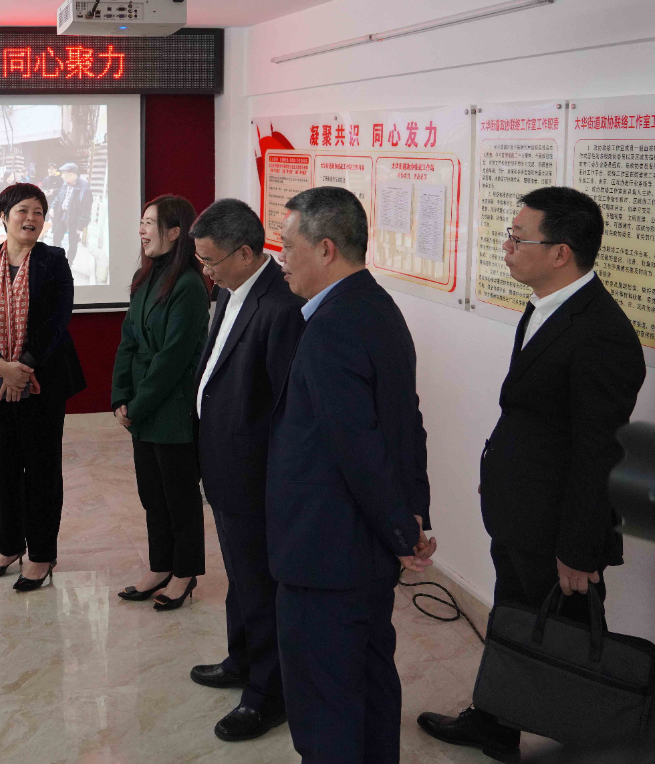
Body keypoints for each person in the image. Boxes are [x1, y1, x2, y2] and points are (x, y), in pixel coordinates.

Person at [418, 187, 646, 762]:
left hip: (556, 528)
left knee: (568, 644)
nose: (507, 247)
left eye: (519, 238)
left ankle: (596, 744)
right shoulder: (547, 306)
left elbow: (598, 453)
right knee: (518, 619)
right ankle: (495, 724)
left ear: (561, 252)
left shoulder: (601, 333)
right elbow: (535, 416)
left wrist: (578, 549)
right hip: (522, 509)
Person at [269, 186, 435, 764]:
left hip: (326, 553)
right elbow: (405, 426)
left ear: (326, 249)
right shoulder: (375, 306)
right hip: (362, 550)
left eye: (288, 245)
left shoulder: (335, 325)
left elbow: (359, 446)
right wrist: (411, 518)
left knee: (326, 705)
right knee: (369, 684)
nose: (280, 258)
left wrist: (402, 529)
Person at [185, 199, 305, 742]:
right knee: (240, 577)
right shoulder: (234, 290)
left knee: (259, 586)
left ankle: (267, 695)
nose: (205, 271)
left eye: (210, 260)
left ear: (246, 252)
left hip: (253, 477)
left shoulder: (280, 307)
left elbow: (283, 409)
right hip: (223, 466)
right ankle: (241, 660)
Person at [0, 183, 86, 592]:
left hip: (43, 378)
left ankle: (42, 554)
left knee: (41, 468)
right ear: (4, 217)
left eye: (38, 212)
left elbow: (58, 321)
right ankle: (10, 545)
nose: (30, 218)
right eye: (22, 210)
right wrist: (0, 365)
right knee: (5, 466)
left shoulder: (54, 260)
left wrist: (24, 366)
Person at [111, 195, 208, 611]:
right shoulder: (145, 276)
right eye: (142, 222)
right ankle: (160, 566)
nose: (142, 230)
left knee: (179, 497)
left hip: (172, 407)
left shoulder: (189, 285)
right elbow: (128, 340)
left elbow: (172, 360)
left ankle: (184, 573)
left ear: (175, 232)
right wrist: (120, 396)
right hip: (143, 404)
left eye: (150, 223)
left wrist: (137, 406)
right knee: (152, 494)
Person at [48, 163, 93, 266]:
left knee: (72, 243)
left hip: (75, 219)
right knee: (56, 237)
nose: (62, 176)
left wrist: (81, 226)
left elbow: (86, 209)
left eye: (64, 173)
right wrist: (53, 207)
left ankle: (69, 263)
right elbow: (58, 198)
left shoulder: (84, 187)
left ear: (71, 174)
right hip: (62, 216)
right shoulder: (65, 184)